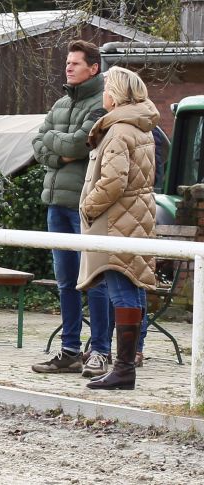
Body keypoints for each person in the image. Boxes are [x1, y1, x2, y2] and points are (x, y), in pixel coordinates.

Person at [31, 40, 111, 377]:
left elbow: (80, 143)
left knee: (94, 280)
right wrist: (59, 154)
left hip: (85, 205)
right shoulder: (60, 102)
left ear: (93, 68)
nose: (68, 67)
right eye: (67, 62)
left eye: (75, 63)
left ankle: (101, 350)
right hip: (56, 204)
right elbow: (37, 143)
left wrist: (58, 143)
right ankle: (70, 351)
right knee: (65, 282)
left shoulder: (102, 102)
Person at [77, 66, 159, 390]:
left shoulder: (118, 130)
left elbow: (113, 181)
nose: (103, 94)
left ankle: (124, 369)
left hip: (116, 221)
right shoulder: (142, 127)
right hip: (136, 217)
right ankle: (127, 364)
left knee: (121, 289)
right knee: (133, 288)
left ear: (116, 94)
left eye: (106, 87)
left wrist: (87, 207)